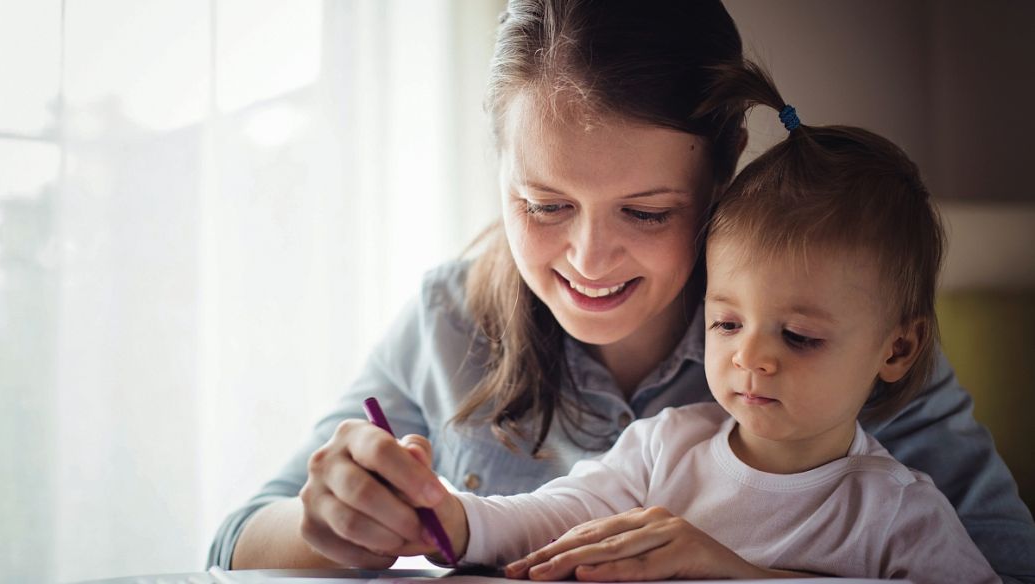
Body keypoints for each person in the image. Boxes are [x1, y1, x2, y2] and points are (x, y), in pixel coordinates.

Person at [208, 1, 1035, 581]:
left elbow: (1002, 567)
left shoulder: (828, 329)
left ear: (722, 165)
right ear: (498, 167)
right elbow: (232, 544)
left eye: (645, 211)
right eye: (544, 205)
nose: (589, 258)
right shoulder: (448, 318)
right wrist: (334, 525)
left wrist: (735, 572)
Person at [418, 62, 1000, 583]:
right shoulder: (665, 446)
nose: (750, 357)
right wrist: (457, 519)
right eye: (725, 323)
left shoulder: (897, 510)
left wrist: (744, 575)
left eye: (798, 336)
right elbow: (558, 513)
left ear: (897, 350)